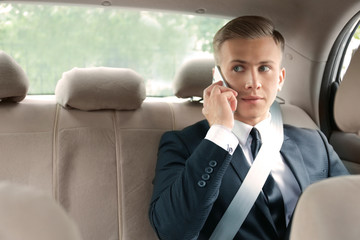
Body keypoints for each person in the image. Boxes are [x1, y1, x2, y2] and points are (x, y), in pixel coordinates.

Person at [148, 16, 349, 240]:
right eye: (238, 68)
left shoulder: (314, 143)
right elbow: (173, 231)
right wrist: (220, 133)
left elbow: (349, 211)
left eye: (264, 67)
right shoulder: (184, 144)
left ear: (280, 78)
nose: (253, 82)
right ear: (217, 77)